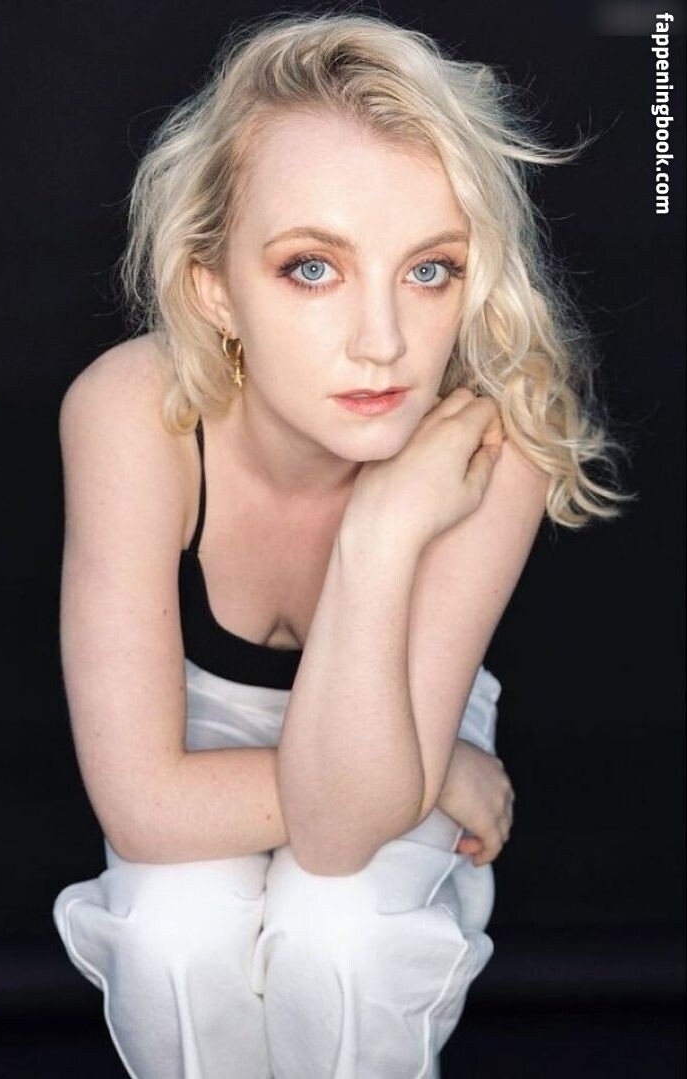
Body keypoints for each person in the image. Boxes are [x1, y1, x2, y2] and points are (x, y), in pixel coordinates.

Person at [52, 11, 631, 1078]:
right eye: (313, 268)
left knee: (341, 934)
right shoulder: (136, 410)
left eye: (430, 269)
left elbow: (336, 839)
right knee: (175, 934)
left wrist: (380, 531)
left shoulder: (493, 437)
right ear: (213, 285)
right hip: (294, 742)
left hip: (396, 706)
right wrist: (429, 774)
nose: (383, 341)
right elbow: (142, 803)